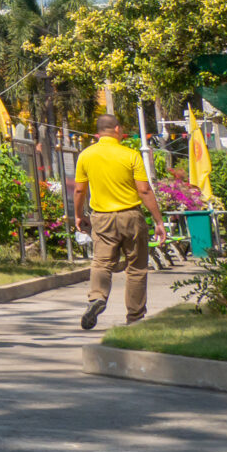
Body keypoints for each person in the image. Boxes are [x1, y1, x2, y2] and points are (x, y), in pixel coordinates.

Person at [73, 113, 162, 330]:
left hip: (101, 218)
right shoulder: (130, 155)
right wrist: (158, 220)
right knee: (136, 268)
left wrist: (78, 215)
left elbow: (79, 189)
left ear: (97, 134)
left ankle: (97, 297)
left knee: (101, 263)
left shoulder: (86, 155)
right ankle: (135, 318)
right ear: (117, 130)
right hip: (131, 216)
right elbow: (144, 189)